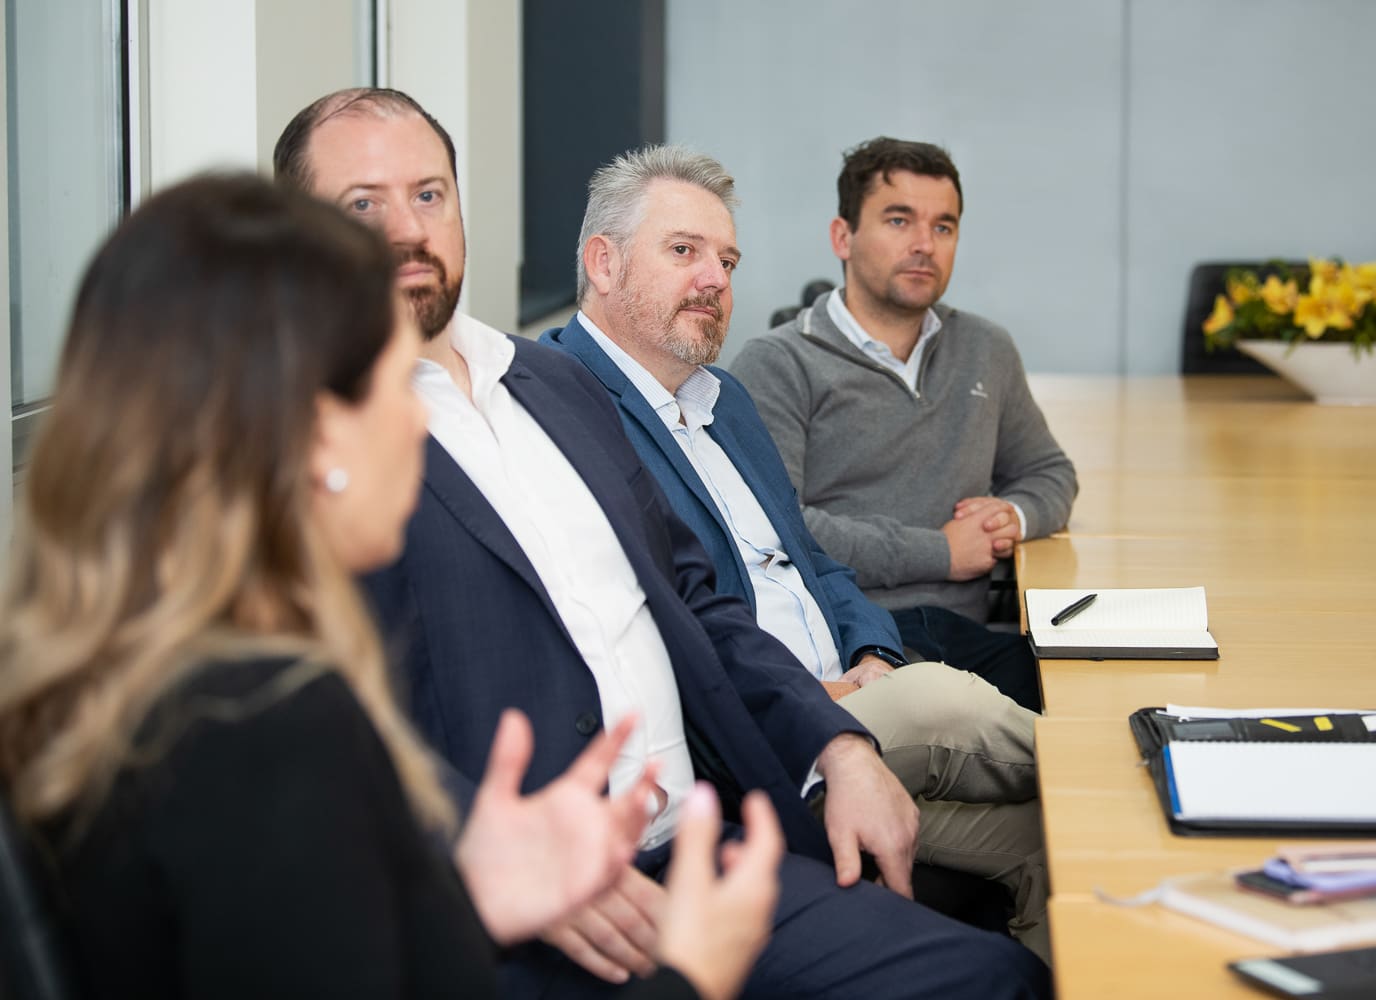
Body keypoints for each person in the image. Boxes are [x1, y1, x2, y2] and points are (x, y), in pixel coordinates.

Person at [274, 88, 1051, 1000]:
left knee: (992, 978)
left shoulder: (552, 386)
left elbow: (700, 601)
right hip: (528, 898)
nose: (407, 228)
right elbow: (302, 722)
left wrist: (837, 747)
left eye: (429, 195)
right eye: (363, 205)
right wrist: (476, 856)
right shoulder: (296, 439)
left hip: (700, 843)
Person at [0, 174, 781, 1000]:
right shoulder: (269, 729)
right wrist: (695, 974)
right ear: (305, 432)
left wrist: (470, 896)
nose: (416, 420)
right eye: (390, 380)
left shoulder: (119, 681)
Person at [542, 144, 1048, 956]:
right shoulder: (564, 404)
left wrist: (873, 649)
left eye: (728, 260)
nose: (716, 279)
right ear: (602, 263)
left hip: (855, 687)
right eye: (684, 251)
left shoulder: (723, 400)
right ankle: (1164, 761)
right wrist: (817, 692)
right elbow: (667, 628)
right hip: (768, 734)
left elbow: (811, 560)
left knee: (1044, 840)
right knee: (952, 707)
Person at [731, 137, 1078, 702]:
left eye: (944, 227)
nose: (924, 244)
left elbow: (1049, 470)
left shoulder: (985, 348)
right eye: (899, 220)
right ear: (843, 237)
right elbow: (777, 529)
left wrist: (1015, 514)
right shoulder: (779, 363)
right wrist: (940, 552)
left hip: (964, 636)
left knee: (1096, 701)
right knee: (1039, 737)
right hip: (854, 642)